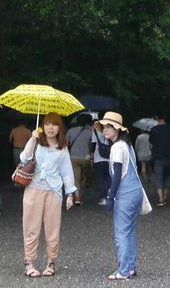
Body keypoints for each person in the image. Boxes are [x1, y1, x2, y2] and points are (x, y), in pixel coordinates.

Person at [17, 112, 78, 278]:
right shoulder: (37, 143)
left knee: (53, 228)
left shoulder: (62, 149)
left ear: (60, 128)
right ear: (43, 125)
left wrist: (70, 194)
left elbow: (67, 172)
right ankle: (29, 262)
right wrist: (32, 138)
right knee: (31, 227)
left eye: (55, 124)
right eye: (48, 124)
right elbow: (24, 157)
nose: (51, 128)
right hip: (33, 189)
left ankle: (51, 261)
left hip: (54, 192)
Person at [96, 111, 143, 279]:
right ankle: (130, 267)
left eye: (109, 126)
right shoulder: (127, 145)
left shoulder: (116, 147)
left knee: (121, 233)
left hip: (125, 193)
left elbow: (116, 175)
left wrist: (110, 196)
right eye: (104, 127)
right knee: (129, 231)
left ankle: (123, 270)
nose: (105, 130)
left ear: (117, 129)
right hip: (136, 191)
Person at [148, 115, 170, 206]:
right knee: (166, 178)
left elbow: (151, 144)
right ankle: (165, 197)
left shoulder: (154, 130)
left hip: (158, 157)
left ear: (158, 120)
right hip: (168, 156)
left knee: (159, 178)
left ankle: (160, 199)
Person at [66, 118, 93, 194]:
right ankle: (81, 192)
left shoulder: (70, 131)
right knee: (83, 177)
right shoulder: (90, 132)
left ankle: (77, 195)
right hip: (85, 158)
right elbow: (92, 145)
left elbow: (66, 144)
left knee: (76, 177)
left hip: (73, 157)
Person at [90, 122, 112, 205]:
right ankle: (111, 196)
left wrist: (91, 157)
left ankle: (103, 198)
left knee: (100, 179)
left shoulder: (95, 133)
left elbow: (93, 145)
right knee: (109, 177)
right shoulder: (108, 132)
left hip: (98, 159)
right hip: (108, 159)